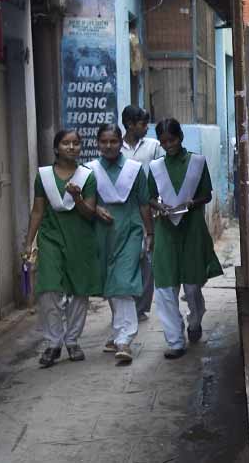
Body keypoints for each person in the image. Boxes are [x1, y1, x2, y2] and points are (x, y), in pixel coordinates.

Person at [23, 129, 101, 367]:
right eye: (66, 143)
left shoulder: (87, 176)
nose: (71, 147)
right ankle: (53, 342)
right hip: (51, 238)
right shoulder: (43, 176)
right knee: (48, 289)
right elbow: (38, 210)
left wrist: (77, 199)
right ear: (56, 148)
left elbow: (89, 214)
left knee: (79, 290)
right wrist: (29, 242)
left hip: (80, 239)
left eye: (76, 144)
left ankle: (73, 340)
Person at [148, 118, 223, 359]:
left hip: (191, 230)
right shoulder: (155, 167)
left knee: (192, 285)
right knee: (165, 287)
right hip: (165, 231)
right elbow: (149, 196)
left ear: (181, 137)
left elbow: (207, 195)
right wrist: (158, 206)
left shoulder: (197, 163)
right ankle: (175, 341)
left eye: (172, 139)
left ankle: (195, 319)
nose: (168, 145)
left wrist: (192, 203)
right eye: (164, 141)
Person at [89, 124, 153, 363]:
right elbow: (85, 203)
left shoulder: (134, 170)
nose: (108, 146)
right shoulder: (90, 171)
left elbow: (144, 203)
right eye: (103, 142)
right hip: (103, 235)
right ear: (97, 143)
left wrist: (150, 233)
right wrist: (96, 208)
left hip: (130, 232)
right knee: (112, 285)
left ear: (120, 142)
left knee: (124, 283)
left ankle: (125, 339)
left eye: (113, 141)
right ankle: (117, 332)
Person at [120, 105, 163, 321]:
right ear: (130, 124)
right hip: (123, 211)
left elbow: (160, 175)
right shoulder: (116, 147)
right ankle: (126, 305)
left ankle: (141, 308)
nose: (147, 128)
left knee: (147, 260)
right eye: (143, 124)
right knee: (127, 258)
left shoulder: (154, 147)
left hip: (148, 208)